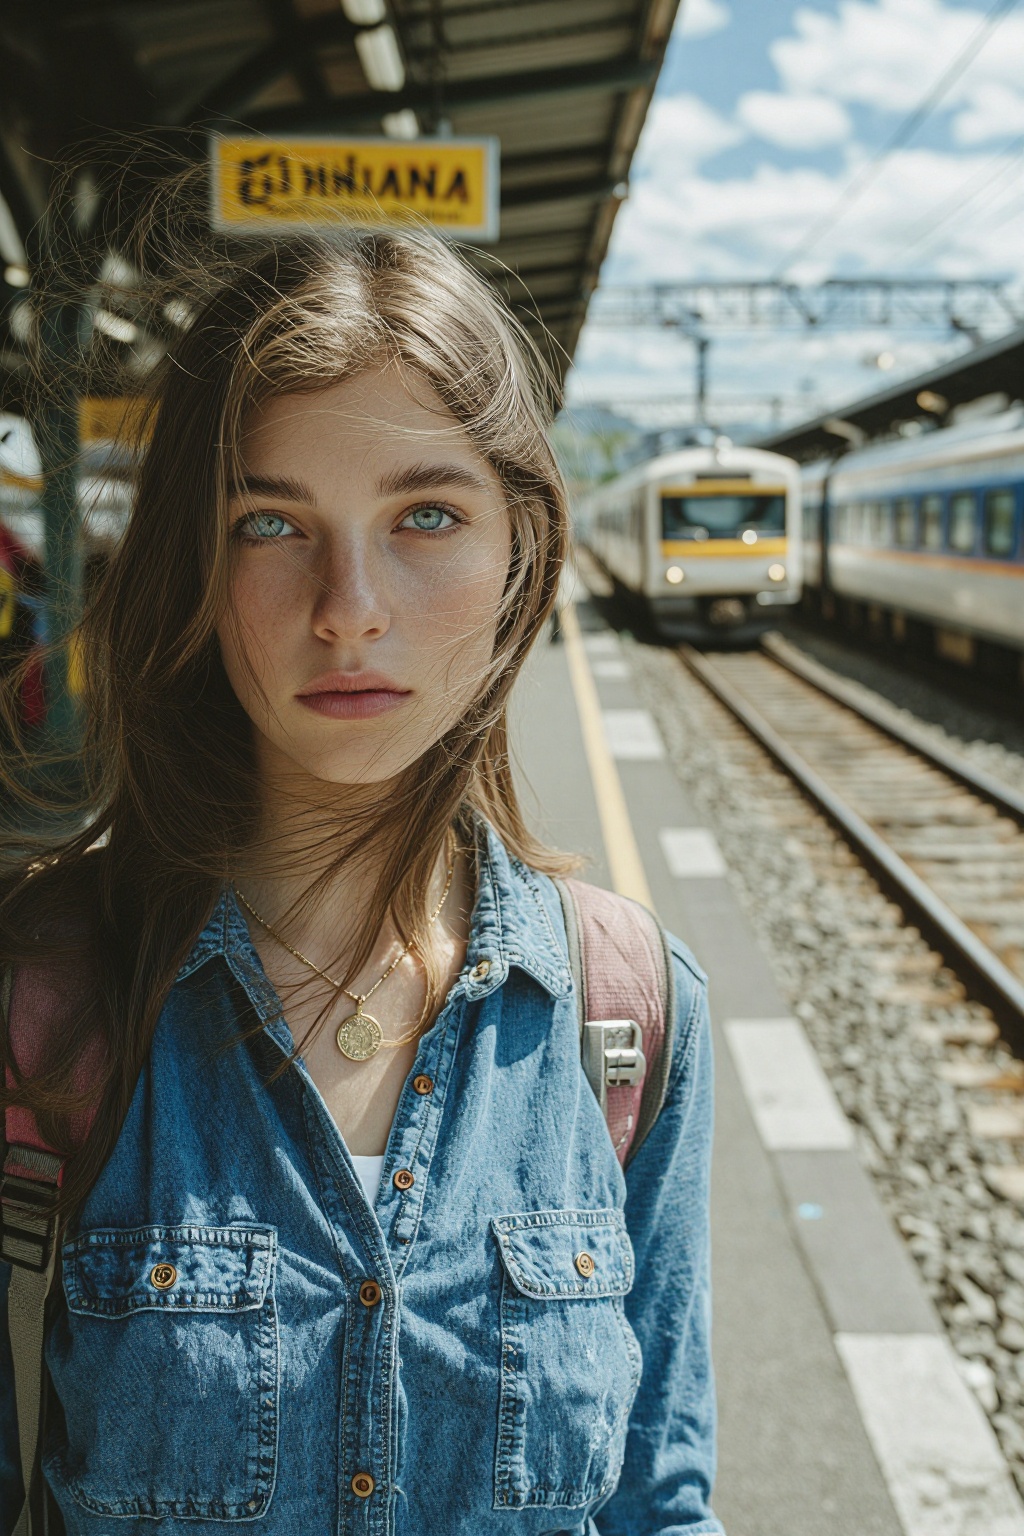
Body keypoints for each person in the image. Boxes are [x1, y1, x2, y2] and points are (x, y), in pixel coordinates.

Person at [0, 226, 722, 1535]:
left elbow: (660, 1504)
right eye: (270, 521)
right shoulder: (39, 1000)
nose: (349, 607)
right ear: (197, 568)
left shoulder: (631, 1020)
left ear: (521, 555)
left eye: (426, 515)